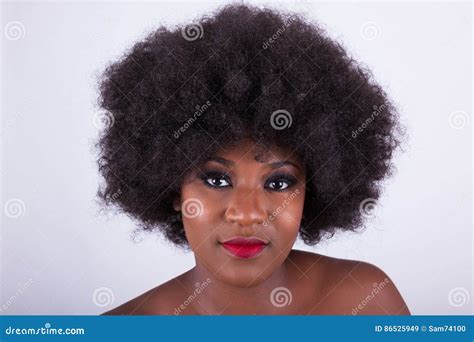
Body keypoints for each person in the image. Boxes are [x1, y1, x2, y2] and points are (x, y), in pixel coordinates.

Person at [97, 3, 409, 315]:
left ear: (313, 191)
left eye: (278, 182)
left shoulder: (364, 300)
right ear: (173, 187)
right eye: (217, 180)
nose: (247, 215)